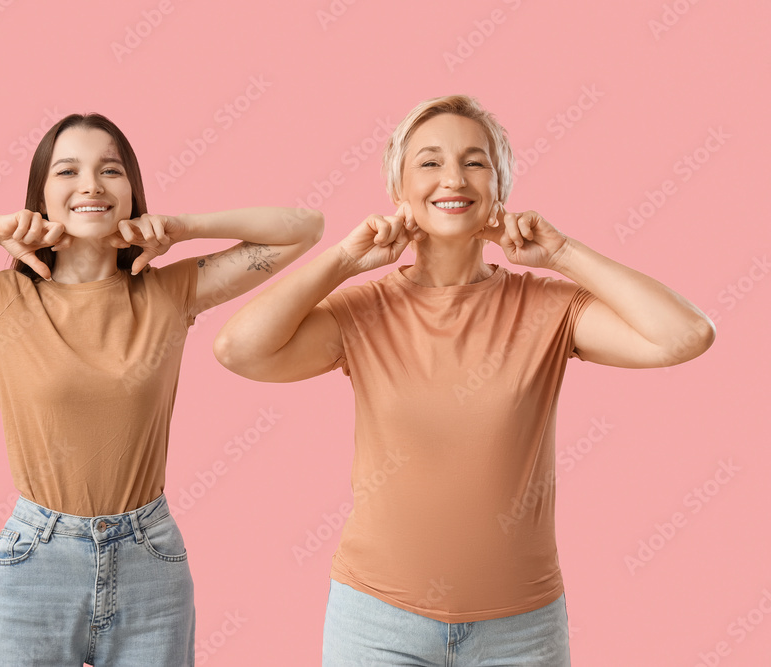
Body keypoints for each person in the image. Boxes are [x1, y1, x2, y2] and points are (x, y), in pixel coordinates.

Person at [213, 95, 715, 666]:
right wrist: (344, 262)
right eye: (429, 162)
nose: (453, 177)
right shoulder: (363, 311)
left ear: (500, 187)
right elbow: (239, 350)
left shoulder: (549, 308)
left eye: (475, 162)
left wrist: (561, 253)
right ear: (398, 189)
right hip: (377, 623)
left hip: (521, 630)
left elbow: (686, 335)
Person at [0, 112, 323, 666]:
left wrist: (181, 226)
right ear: (41, 196)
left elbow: (304, 227)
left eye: (110, 170)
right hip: (36, 563)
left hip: (150, 564)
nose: (91, 185)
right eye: (67, 171)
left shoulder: (171, 292)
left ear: (132, 193)